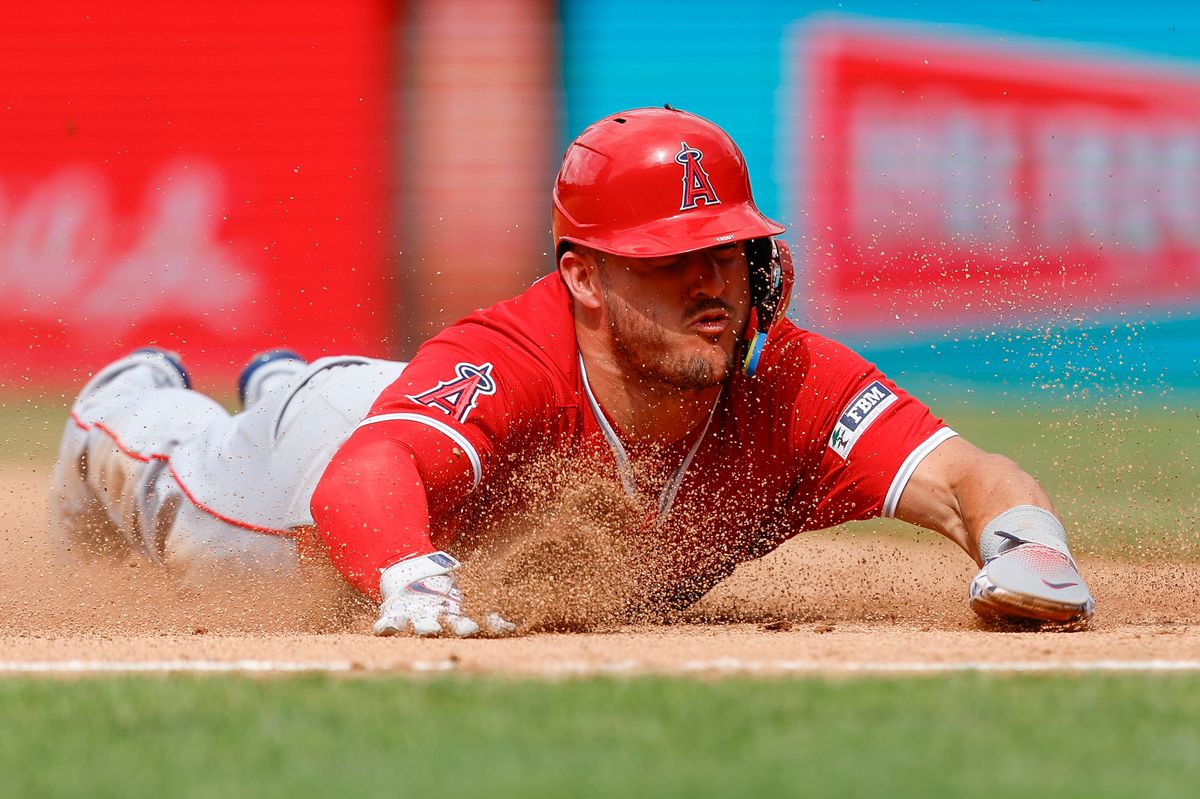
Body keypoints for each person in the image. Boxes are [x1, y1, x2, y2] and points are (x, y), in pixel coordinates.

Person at [50, 106, 1095, 637]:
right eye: (670, 260)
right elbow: (366, 475)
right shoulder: (517, 354)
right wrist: (413, 582)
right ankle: (131, 401)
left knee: (338, 396)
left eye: (726, 252)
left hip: (398, 410)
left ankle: (278, 379)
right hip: (326, 474)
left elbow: (968, 474)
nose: (712, 284)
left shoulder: (786, 381)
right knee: (182, 494)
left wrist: (1026, 545)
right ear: (584, 278)